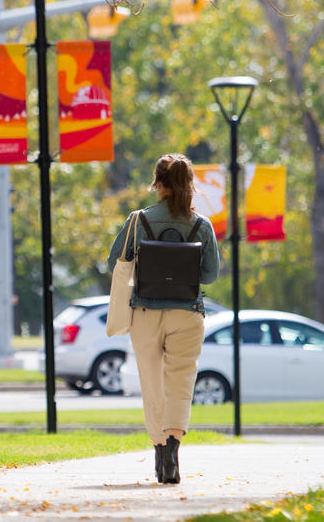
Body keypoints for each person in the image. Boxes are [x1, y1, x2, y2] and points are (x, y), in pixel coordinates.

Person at [105, 154, 221, 484]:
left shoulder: (138, 219)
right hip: (187, 313)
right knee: (181, 384)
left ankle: (159, 451)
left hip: (145, 311)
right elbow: (210, 275)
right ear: (190, 184)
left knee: (152, 383)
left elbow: (116, 259)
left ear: (157, 183)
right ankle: (173, 446)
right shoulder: (202, 225)